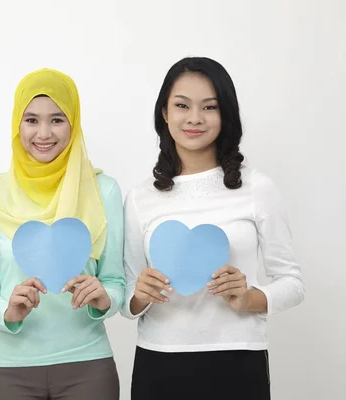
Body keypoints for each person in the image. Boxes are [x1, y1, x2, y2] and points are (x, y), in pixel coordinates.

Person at [121, 56, 305, 400]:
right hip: (159, 361)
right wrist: (140, 295)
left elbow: (292, 282)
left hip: (238, 359)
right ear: (164, 112)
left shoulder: (257, 188)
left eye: (209, 107)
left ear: (226, 115)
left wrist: (250, 297)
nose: (194, 118)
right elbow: (128, 299)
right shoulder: (139, 197)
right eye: (181, 105)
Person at [0, 68, 126, 400]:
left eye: (57, 119)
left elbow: (115, 282)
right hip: (6, 369)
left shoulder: (103, 191)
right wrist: (6, 312)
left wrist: (103, 299)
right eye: (31, 120)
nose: (43, 133)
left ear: (74, 124)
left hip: (88, 365)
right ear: (16, 125)